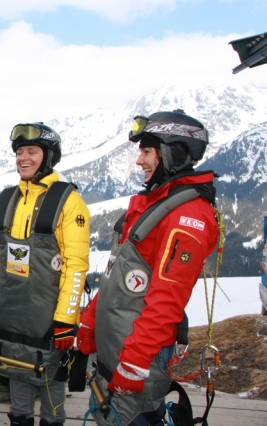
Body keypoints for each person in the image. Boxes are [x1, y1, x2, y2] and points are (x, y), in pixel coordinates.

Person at [76, 110, 219, 426]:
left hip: (138, 353)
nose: (139, 161)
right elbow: (119, 274)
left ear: (171, 154)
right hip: (116, 348)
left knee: (129, 417)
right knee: (107, 416)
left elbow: (167, 300)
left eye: (146, 151)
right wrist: (90, 319)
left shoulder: (187, 217)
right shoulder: (154, 204)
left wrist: (136, 362)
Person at [0, 122, 91, 426]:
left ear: (49, 156)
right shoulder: (7, 199)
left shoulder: (68, 201)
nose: (22, 158)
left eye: (31, 151)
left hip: (49, 320)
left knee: (52, 387)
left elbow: (76, 266)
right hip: (12, 316)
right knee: (16, 376)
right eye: (19, 152)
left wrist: (67, 319)